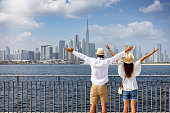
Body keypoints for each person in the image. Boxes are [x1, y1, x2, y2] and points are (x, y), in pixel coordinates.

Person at [65, 45, 133, 113]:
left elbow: (82, 56)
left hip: (94, 86)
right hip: (103, 86)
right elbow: (116, 56)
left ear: (97, 54)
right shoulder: (106, 61)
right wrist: (125, 51)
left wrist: (73, 51)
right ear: (103, 55)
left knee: (93, 105)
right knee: (103, 105)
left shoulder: (92, 61)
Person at [105, 45, 158, 113]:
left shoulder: (121, 65)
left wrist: (109, 49)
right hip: (133, 88)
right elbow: (143, 58)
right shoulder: (135, 65)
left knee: (125, 107)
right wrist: (152, 53)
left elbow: (115, 57)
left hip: (125, 89)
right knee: (133, 107)